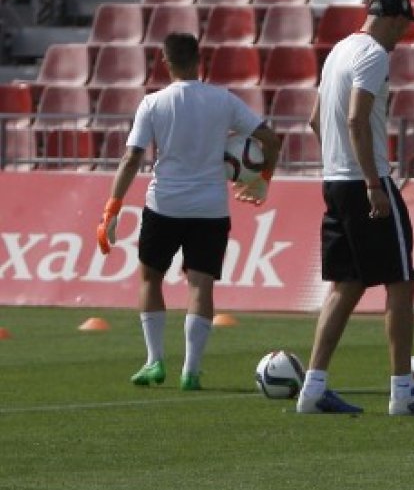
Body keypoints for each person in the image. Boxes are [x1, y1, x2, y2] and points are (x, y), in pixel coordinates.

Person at [296, 0, 414, 416]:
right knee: (401, 281)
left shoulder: (338, 51)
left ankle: (312, 388)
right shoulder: (373, 55)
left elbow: (315, 119)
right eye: (403, 24)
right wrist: (370, 182)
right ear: (388, 18)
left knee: (344, 286)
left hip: (333, 180)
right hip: (366, 180)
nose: (404, 33)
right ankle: (402, 393)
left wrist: (340, 164)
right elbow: (355, 117)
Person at [96, 32, 281, 391]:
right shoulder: (223, 100)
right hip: (210, 208)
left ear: (164, 62)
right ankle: (191, 370)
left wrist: (112, 207)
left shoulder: (153, 104)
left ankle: (154, 361)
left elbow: (132, 156)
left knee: (150, 279)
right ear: (200, 60)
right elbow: (270, 140)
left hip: (163, 204)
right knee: (201, 285)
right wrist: (263, 179)